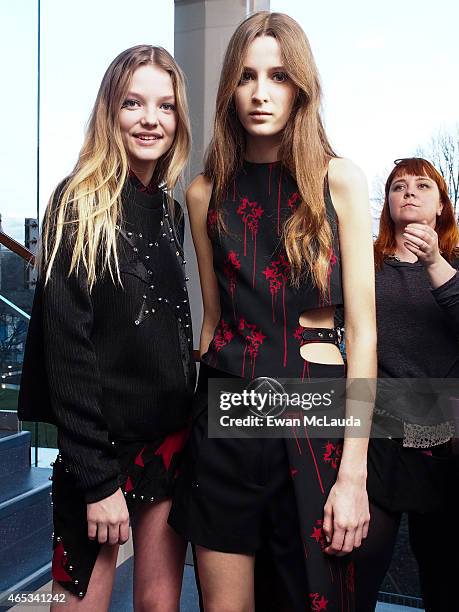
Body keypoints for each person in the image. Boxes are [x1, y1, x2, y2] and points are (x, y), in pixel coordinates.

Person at [168, 12, 376, 612]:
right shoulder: (204, 192)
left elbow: (361, 335)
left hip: (316, 430)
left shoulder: (340, 181)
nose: (261, 93)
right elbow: (212, 324)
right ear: (229, 87)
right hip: (225, 432)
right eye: (247, 76)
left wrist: (354, 473)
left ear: (301, 87)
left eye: (279, 76)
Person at [18, 45, 196, 612]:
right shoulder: (78, 202)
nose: (151, 119)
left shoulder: (170, 212)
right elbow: (67, 353)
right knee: (77, 605)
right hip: (98, 450)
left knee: (160, 604)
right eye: (134, 103)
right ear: (109, 112)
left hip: (168, 441)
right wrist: (97, 482)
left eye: (165, 107)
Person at [354, 157, 459, 611]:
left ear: (440, 206)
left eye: (422, 186)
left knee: (445, 571)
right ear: (388, 205)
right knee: (360, 565)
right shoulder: (366, 266)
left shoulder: (454, 264)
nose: (409, 192)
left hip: (446, 440)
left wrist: (434, 260)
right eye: (398, 186)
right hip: (380, 435)